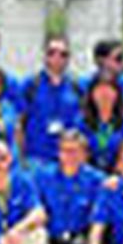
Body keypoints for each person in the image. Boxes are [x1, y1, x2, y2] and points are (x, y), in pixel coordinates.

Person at [32, 131, 105, 244]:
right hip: (53, 237)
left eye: (75, 151)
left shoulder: (96, 179)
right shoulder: (42, 177)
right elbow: (36, 208)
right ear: (58, 153)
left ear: (84, 154)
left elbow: (99, 217)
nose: (69, 156)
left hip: (80, 237)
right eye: (65, 151)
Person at [18, 35, 82, 167]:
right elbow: (18, 125)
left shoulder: (77, 87)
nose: (57, 58)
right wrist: (21, 159)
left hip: (67, 163)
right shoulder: (30, 85)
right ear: (44, 56)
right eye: (51, 53)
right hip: (36, 161)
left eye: (63, 54)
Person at [78, 75, 123, 173]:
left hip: (117, 178)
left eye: (109, 90)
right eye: (99, 90)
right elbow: (80, 156)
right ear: (91, 94)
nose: (104, 94)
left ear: (117, 94)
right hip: (89, 178)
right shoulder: (81, 122)